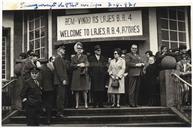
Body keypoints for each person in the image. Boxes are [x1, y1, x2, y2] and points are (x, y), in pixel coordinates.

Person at [71, 42, 90, 109]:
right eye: (78, 48)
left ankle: (85, 104)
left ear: (82, 50)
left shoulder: (84, 56)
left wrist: (84, 65)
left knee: (84, 91)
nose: (79, 50)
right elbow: (71, 65)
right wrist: (78, 65)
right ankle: (77, 104)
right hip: (76, 76)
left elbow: (88, 63)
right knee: (76, 91)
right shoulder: (73, 57)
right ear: (76, 49)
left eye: (80, 49)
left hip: (83, 75)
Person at [53, 43, 69, 118]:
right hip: (60, 82)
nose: (64, 50)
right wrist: (63, 79)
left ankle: (60, 112)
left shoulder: (60, 58)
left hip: (60, 81)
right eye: (63, 49)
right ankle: (59, 113)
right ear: (59, 50)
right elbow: (59, 70)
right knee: (60, 97)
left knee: (61, 97)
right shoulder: (58, 59)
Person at [40, 57, 55, 124]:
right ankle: (49, 119)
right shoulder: (50, 69)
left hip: (43, 89)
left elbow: (40, 79)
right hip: (50, 88)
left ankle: (44, 118)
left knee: (43, 103)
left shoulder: (40, 69)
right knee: (49, 104)